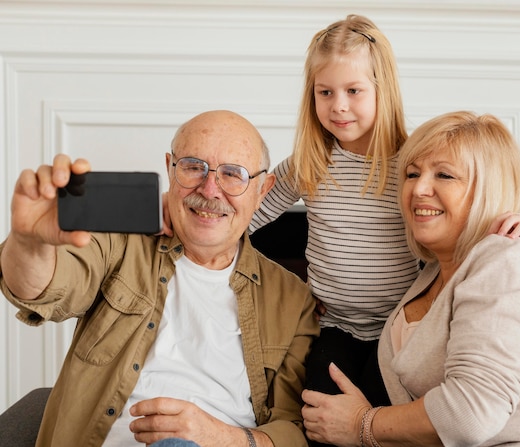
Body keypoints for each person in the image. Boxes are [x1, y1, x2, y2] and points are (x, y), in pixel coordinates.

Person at [246, 13, 520, 427]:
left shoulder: (413, 162)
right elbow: (248, 215)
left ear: (382, 90)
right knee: (320, 418)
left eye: (353, 90)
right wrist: (190, 210)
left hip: (401, 331)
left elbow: (474, 205)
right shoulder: (308, 163)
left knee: (383, 423)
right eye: (325, 92)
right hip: (334, 326)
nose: (339, 105)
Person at [300, 111, 520, 446]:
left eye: (445, 175)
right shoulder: (430, 277)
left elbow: (471, 412)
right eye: (412, 173)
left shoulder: (505, 261)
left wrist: (362, 424)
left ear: (488, 189)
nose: (419, 188)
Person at [0, 110, 319, 447]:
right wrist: (29, 240)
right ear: (170, 168)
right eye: (194, 167)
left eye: (233, 174)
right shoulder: (122, 244)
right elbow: (44, 288)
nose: (211, 189)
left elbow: (292, 430)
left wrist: (217, 436)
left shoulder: (292, 300)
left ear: (262, 189)